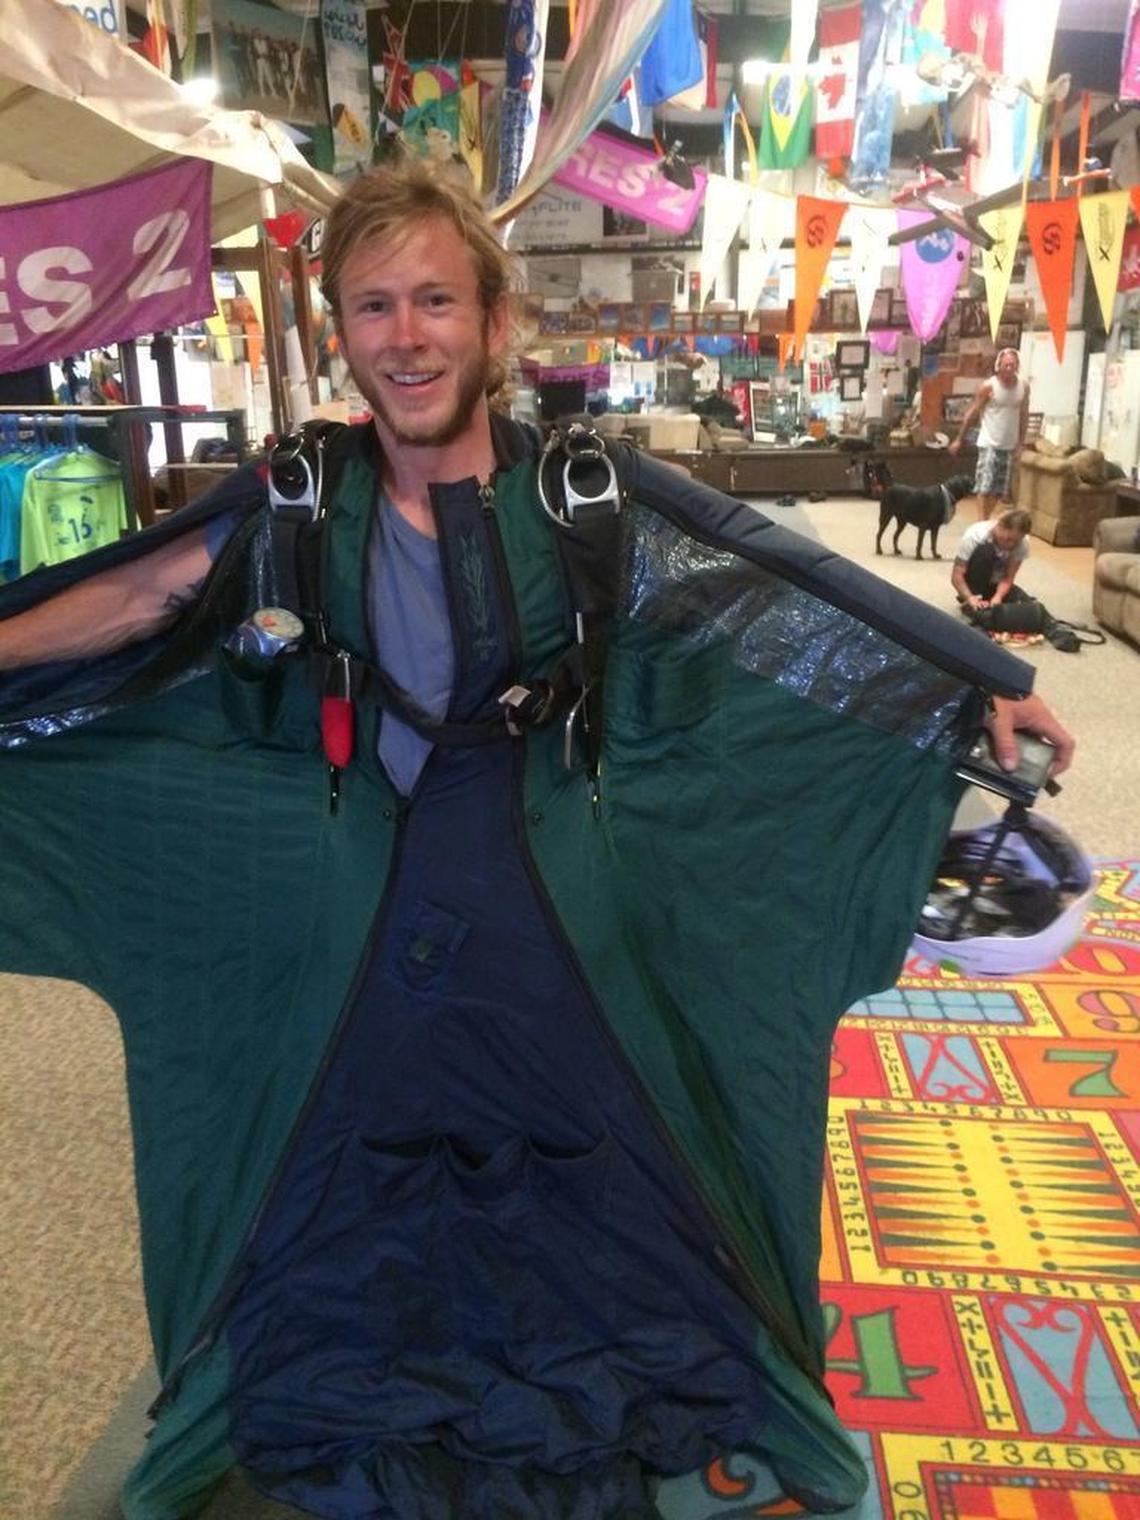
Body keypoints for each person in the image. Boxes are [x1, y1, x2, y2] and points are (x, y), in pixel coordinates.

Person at [0, 160, 1074, 1520]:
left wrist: (970, 672)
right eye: (375, 305)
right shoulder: (300, 497)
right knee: (306, 1144)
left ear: (495, 322)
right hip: (358, 897)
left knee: (638, 1140)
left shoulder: (583, 492)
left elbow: (773, 588)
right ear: (342, 330)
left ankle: (716, 1366)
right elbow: (140, 593)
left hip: (550, 888)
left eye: (436, 300)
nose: (407, 336)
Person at [948, 346, 1030, 521]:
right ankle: (981, 521)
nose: (1009, 368)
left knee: (1000, 490)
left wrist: (1021, 442)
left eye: (1013, 365)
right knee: (985, 486)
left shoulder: (1023, 386)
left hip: (1009, 444)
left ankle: (986, 517)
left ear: (1017, 366)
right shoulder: (988, 386)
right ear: (998, 366)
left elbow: (1024, 414)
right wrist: (959, 439)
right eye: (1006, 365)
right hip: (989, 443)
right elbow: (973, 412)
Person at [951, 505, 1033, 615]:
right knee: (986, 551)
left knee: (1027, 606)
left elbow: (1008, 578)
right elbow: (956, 575)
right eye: (1008, 539)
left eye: (1015, 541)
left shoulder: (1022, 543)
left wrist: (998, 596)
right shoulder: (975, 535)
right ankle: (972, 601)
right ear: (1000, 526)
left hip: (996, 585)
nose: (1011, 544)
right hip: (974, 584)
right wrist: (970, 598)